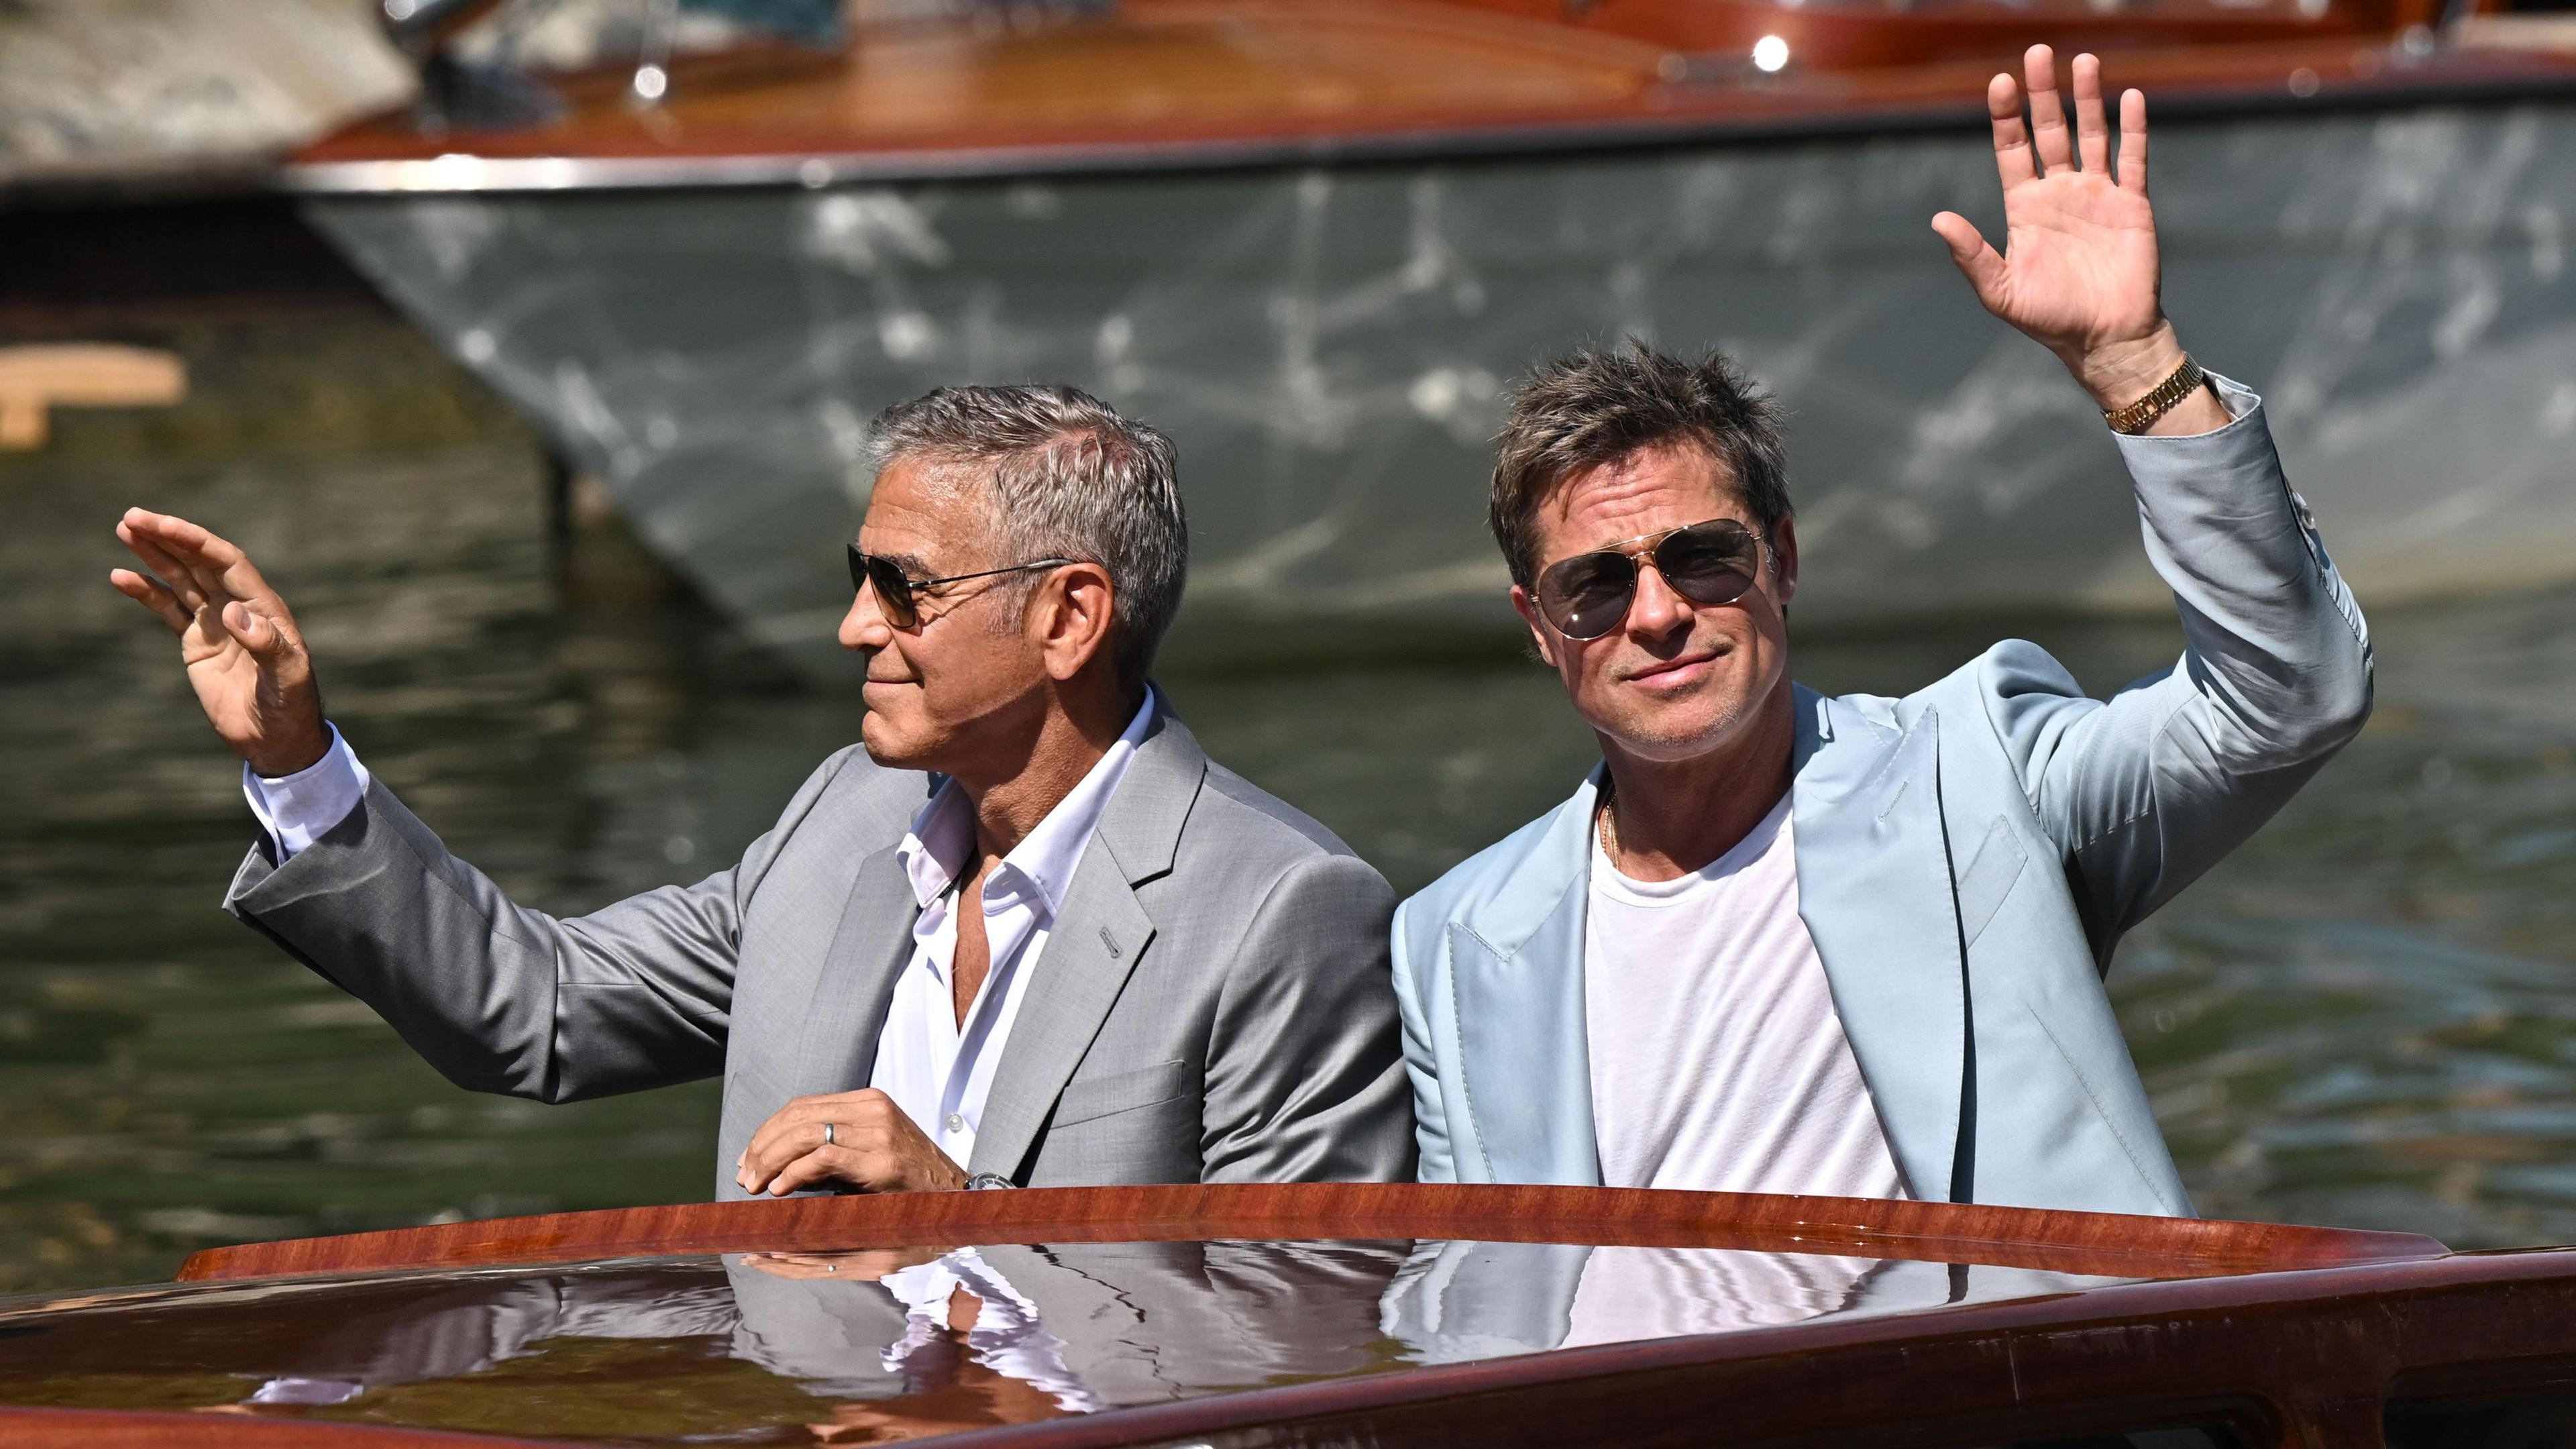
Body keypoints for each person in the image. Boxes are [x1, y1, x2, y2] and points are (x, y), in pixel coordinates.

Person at [1389, 47, 2373, 1216]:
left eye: (1704, 557)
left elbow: (2288, 695)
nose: (1655, 614)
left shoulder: (1985, 779)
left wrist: (2135, 367)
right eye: (1595, 586)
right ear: (1541, 629)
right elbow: (1481, 1295)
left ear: (1785, 561)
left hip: (1981, 1398)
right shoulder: (1451, 942)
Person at [110, 384, 1413, 1197]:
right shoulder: (844, 821)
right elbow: (539, 1010)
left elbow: (1296, 1330)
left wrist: (957, 1225)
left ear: (1071, 617)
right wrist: (296, 757)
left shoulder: (1282, 912)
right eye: (858, 576)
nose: (853, 627)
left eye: (903, 588)